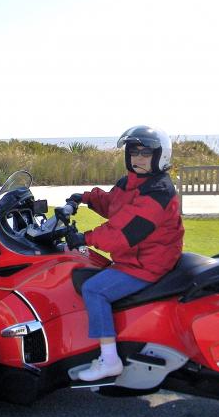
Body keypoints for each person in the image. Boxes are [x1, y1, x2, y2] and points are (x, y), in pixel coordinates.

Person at [65, 125, 184, 382]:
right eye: (133, 152)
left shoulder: (158, 191)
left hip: (147, 264)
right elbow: (114, 204)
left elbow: (122, 232)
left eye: (145, 153)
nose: (138, 158)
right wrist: (86, 198)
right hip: (136, 258)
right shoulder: (131, 182)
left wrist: (85, 238)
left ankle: (110, 360)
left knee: (94, 289)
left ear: (160, 156)